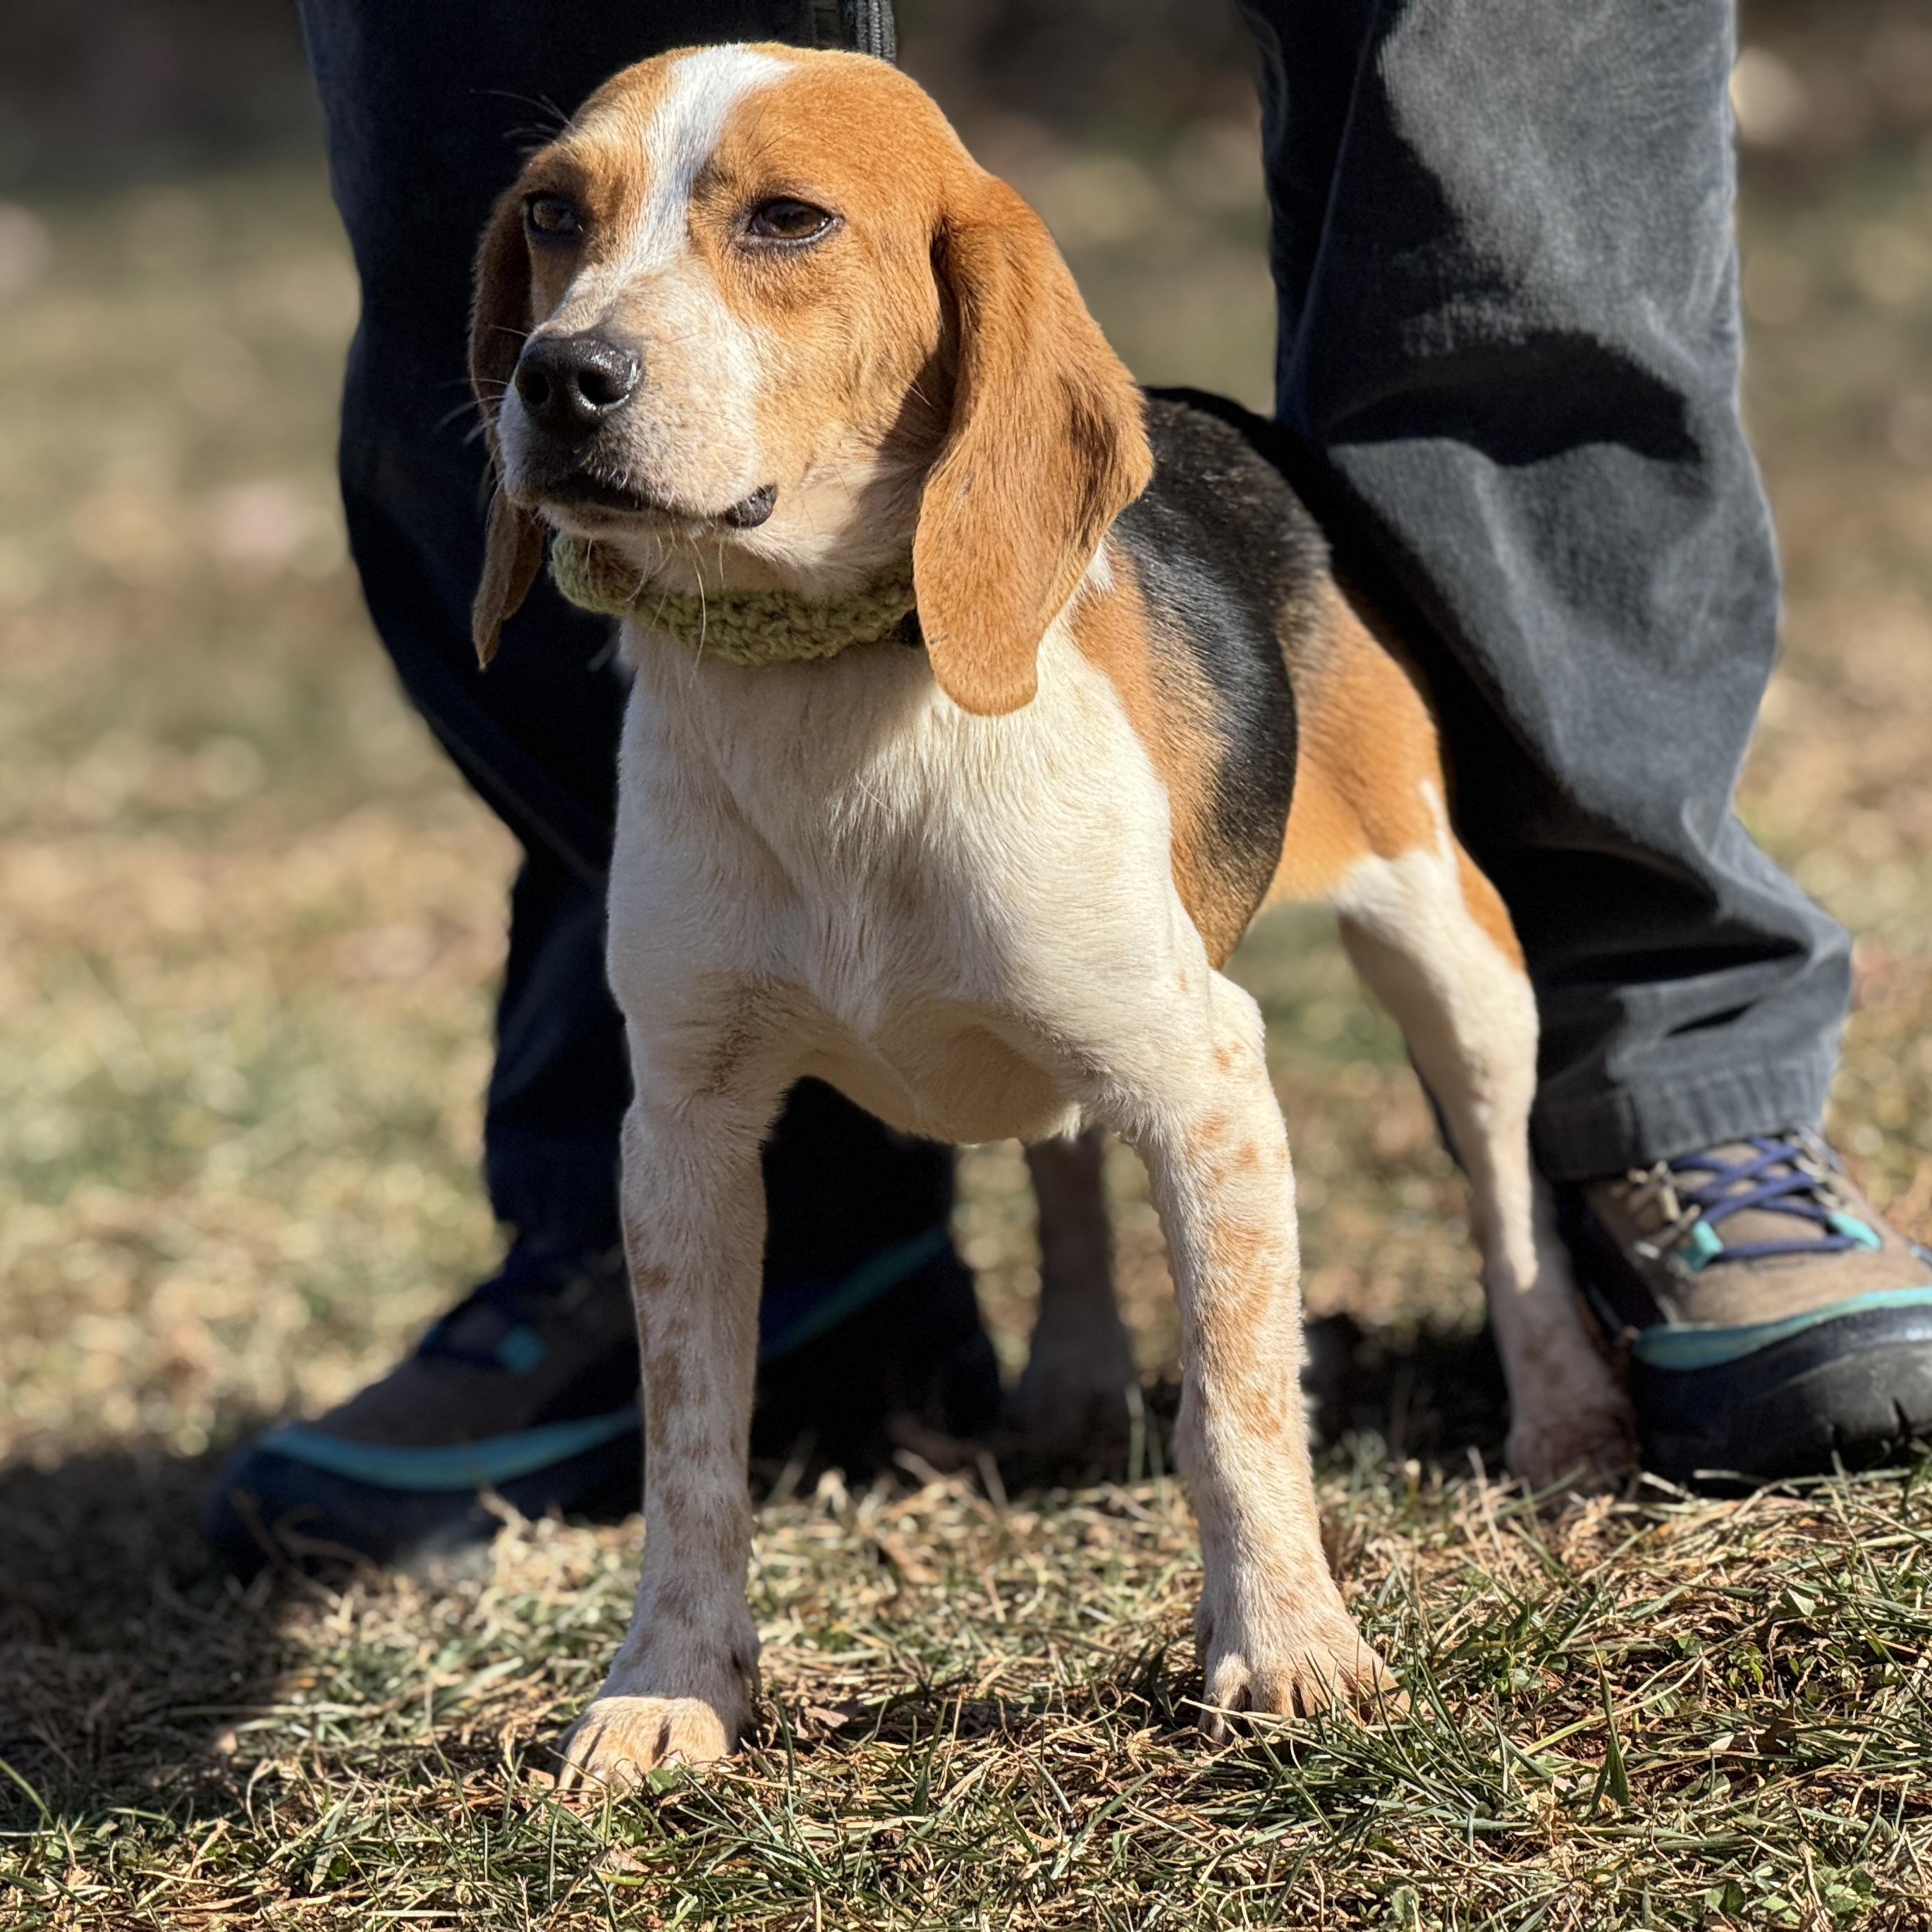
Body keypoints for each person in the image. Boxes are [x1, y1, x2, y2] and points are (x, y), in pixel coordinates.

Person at [206, 0, 1931, 1570]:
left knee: (1144, 967)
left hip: (1136, 655)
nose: (578, 333)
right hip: (705, 744)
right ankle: (817, 1253)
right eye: (561, 227)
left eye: (780, 222)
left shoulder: (1023, 383)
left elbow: (1201, 1081)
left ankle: (1666, 1119)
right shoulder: (548, 367)